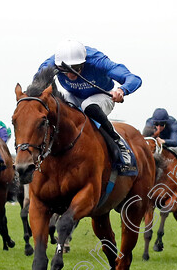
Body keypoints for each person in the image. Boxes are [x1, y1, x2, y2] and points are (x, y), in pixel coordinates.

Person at [39, 40, 142, 174]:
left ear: (84, 62)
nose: (70, 74)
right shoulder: (51, 64)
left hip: (101, 95)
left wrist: (122, 90)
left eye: (76, 69)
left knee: (88, 106)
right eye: (65, 70)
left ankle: (119, 145)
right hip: (72, 95)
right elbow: (37, 86)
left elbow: (134, 78)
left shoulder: (97, 61)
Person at [143, 108, 177, 182]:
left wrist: (163, 141)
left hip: (175, 136)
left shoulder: (173, 123)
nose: (158, 127)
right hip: (160, 137)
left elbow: (174, 142)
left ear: (166, 122)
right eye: (156, 124)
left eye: (161, 125)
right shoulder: (149, 122)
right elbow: (147, 137)